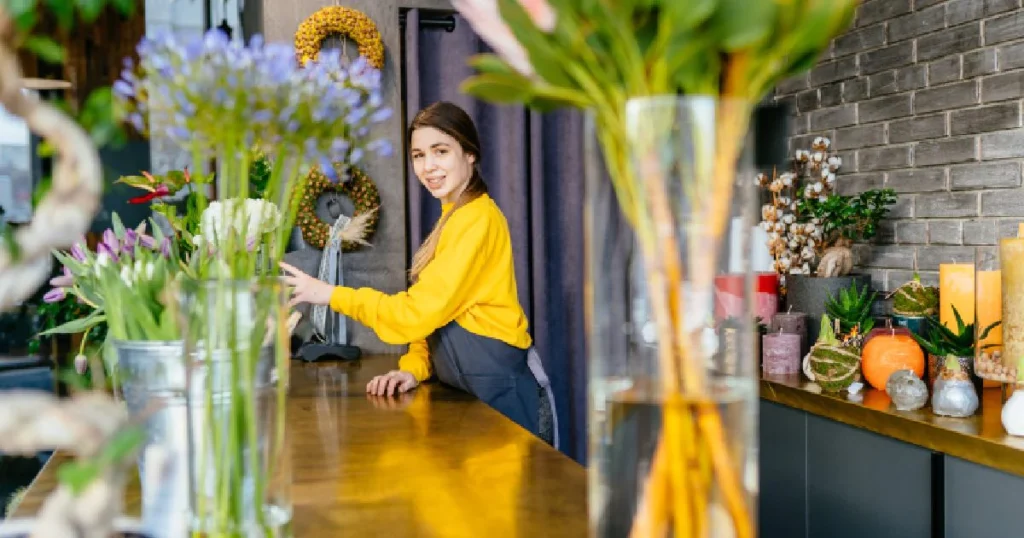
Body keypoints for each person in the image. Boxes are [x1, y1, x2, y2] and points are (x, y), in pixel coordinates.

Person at [280, 101, 557, 448]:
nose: (428, 167)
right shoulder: (453, 218)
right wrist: (412, 369)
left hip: (508, 400)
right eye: (418, 155)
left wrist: (330, 295)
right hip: (476, 402)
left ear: (470, 154)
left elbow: (416, 314)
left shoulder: (478, 220)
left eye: (441, 151)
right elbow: (434, 316)